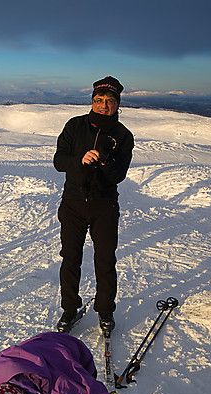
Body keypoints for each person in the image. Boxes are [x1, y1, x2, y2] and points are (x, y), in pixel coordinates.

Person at [53, 76, 134, 333]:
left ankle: (106, 311)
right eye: (99, 100)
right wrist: (81, 159)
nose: (103, 105)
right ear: (91, 101)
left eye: (110, 101)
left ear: (118, 105)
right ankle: (69, 309)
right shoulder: (75, 126)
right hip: (73, 204)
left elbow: (118, 174)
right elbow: (59, 161)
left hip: (104, 206)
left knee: (105, 260)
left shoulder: (123, 136)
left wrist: (105, 162)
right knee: (70, 258)